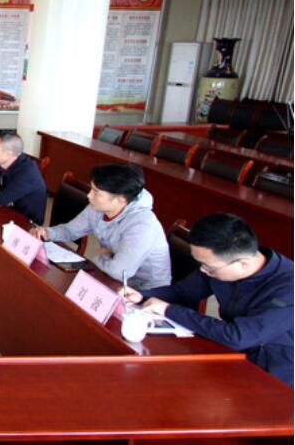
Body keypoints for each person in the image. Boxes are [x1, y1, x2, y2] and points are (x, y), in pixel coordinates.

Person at [120, 214, 293, 387]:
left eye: (209, 267)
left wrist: (168, 309)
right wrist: (142, 296)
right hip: (230, 355)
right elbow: (182, 292)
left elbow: (238, 336)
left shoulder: (288, 286)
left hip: (277, 375)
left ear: (243, 264)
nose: (203, 271)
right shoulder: (223, 264)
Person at [31, 163, 170, 289]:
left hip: (145, 292)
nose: (89, 196)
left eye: (96, 192)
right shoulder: (97, 207)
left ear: (121, 199)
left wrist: (99, 257)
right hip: (110, 277)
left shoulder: (142, 225)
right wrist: (47, 233)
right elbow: (70, 230)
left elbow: (119, 272)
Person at [0, 132, 47, 226]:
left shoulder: (27, 172)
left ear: (8, 154)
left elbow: (1, 199)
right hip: (9, 212)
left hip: (27, 224)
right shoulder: (4, 163)